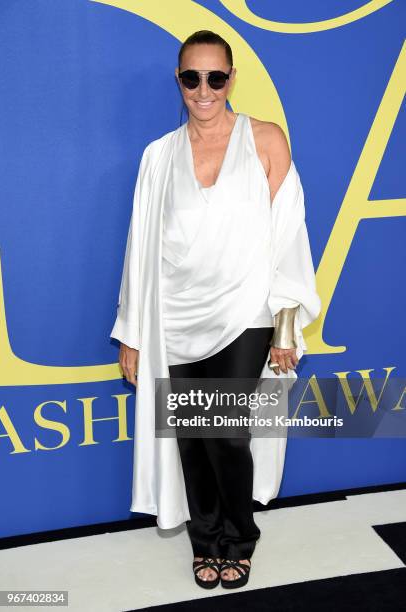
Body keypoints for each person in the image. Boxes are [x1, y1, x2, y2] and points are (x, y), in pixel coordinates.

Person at [110, 30, 321, 589]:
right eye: (191, 78)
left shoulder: (266, 140)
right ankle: (206, 541)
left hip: (246, 311)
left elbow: (288, 234)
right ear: (178, 81)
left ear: (231, 78)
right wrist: (133, 331)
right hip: (173, 317)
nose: (204, 89)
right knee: (191, 434)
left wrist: (285, 323)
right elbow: (141, 247)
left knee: (225, 431)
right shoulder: (158, 156)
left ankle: (239, 536)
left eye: (215, 77)